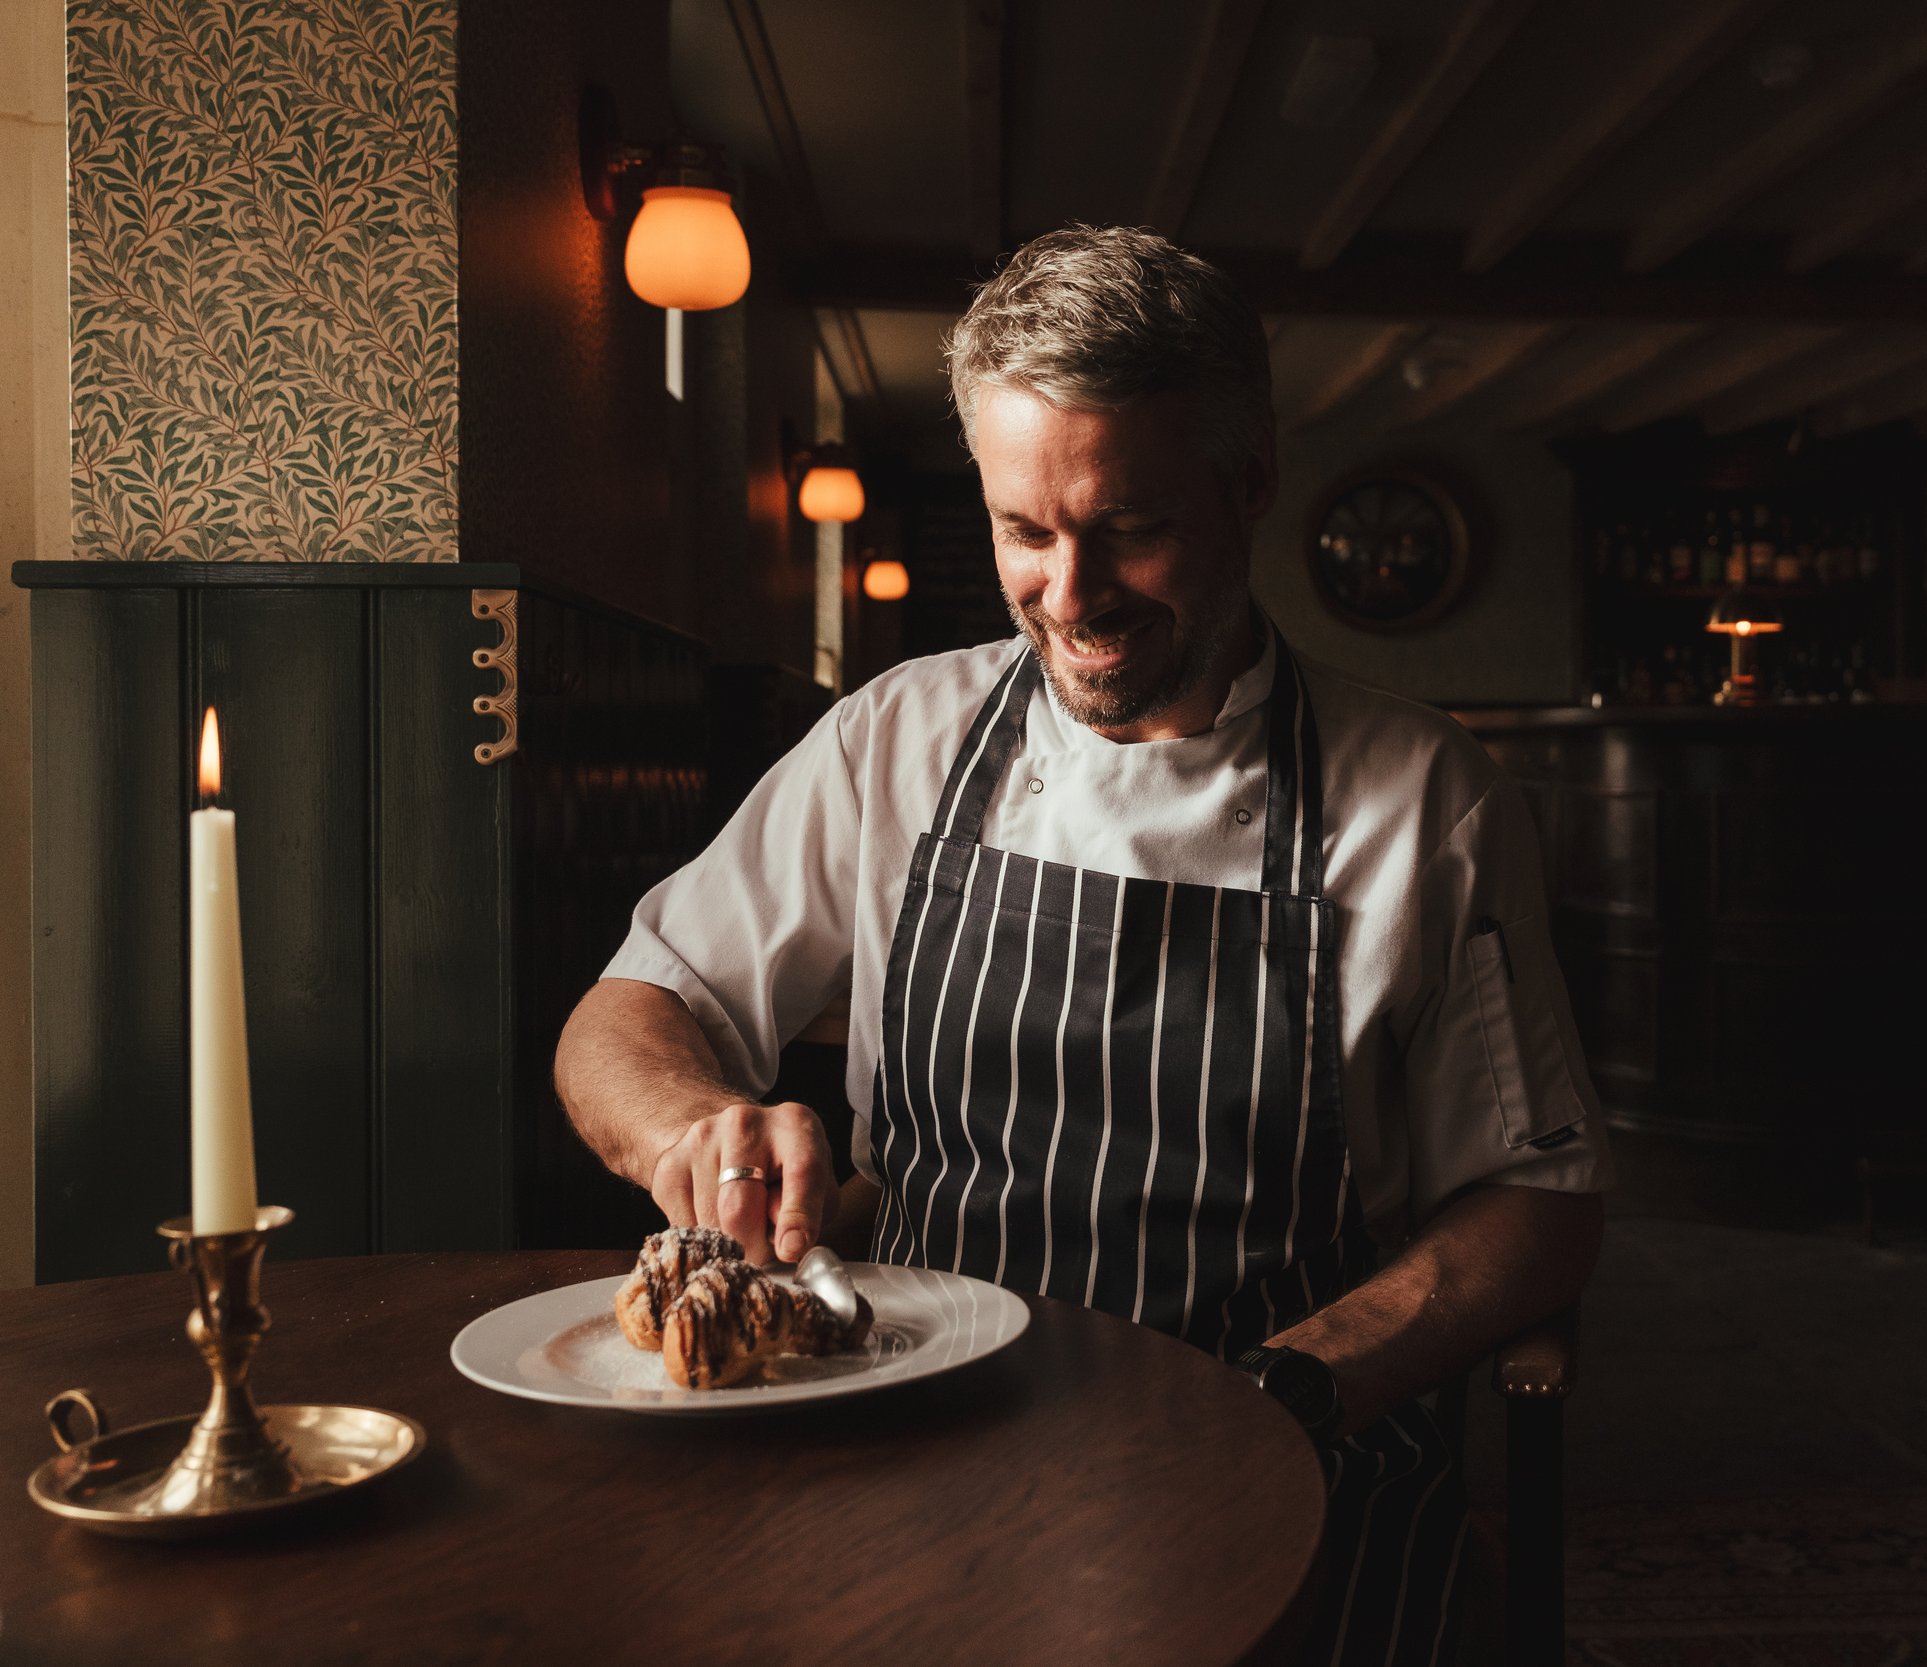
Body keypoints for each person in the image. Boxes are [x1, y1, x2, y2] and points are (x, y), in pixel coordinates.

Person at [556, 224, 1610, 1666]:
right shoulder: (893, 741)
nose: (1071, 593)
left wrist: (1295, 1386)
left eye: (1129, 528)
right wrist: (693, 1127)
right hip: (911, 1428)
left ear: (1250, 480)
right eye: (1025, 533)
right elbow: (626, 1015)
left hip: (1272, 1457)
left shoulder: (1425, 800)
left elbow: (1538, 1199)